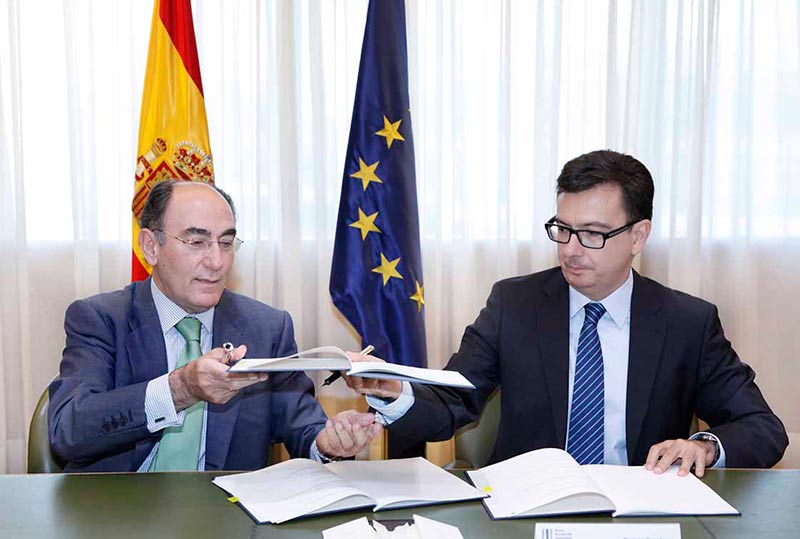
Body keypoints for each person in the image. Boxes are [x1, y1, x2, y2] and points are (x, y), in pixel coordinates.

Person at [344, 149, 787, 477]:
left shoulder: (686, 321)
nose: (571, 249)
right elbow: (451, 403)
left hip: (639, 510)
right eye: (563, 229)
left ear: (638, 236)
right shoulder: (513, 305)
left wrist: (705, 447)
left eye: (592, 234)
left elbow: (762, 427)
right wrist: (392, 390)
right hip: (525, 509)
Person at [49, 179, 382, 472]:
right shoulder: (101, 319)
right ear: (151, 246)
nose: (217, 262)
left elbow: (302, 427)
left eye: (225, 243)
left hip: (225, 511)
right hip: (119, 510)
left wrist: (328, 443)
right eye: (196, 242)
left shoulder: (266, 327)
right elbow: (68, 430)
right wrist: (179, 389)